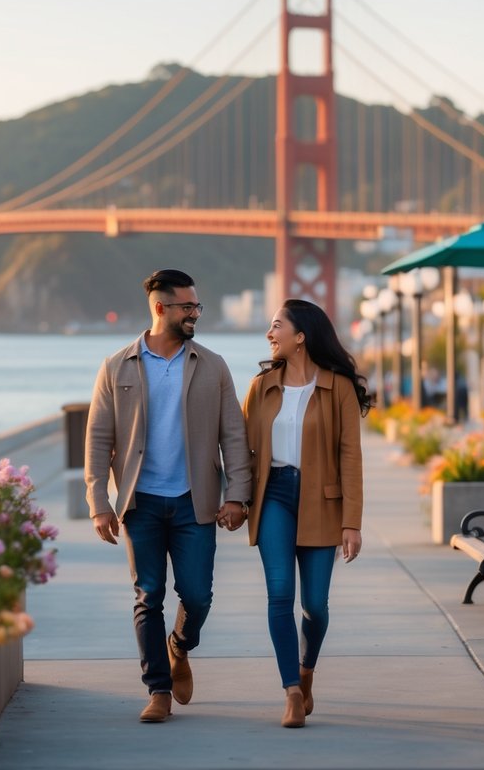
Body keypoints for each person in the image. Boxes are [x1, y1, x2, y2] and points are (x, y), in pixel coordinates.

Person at [84, 269, 252, 724]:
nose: (195, 313)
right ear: (161, 309)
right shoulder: (116, 365)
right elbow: (98, 438)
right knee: (149, 594)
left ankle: (179, 645)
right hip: (139, 503)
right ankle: (157, 689)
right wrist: (99, 501)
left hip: (193, 501)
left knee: (197, 596)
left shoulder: (212, 365)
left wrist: (237, 496)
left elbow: (233, 435)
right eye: (187, 307)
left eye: (197, 306)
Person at [241, 299, 371, 728]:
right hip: (274, 495)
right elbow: (242, 451)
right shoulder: (261, 386)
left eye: (276, 325)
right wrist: (236, 500)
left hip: (323, 500)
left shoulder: (339, 388)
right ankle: (291, 693)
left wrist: (352, 521)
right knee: (280, 595)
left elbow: (350, 456)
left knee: (315, 604)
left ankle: (306, 669)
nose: (269, 333)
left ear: (301, 336)